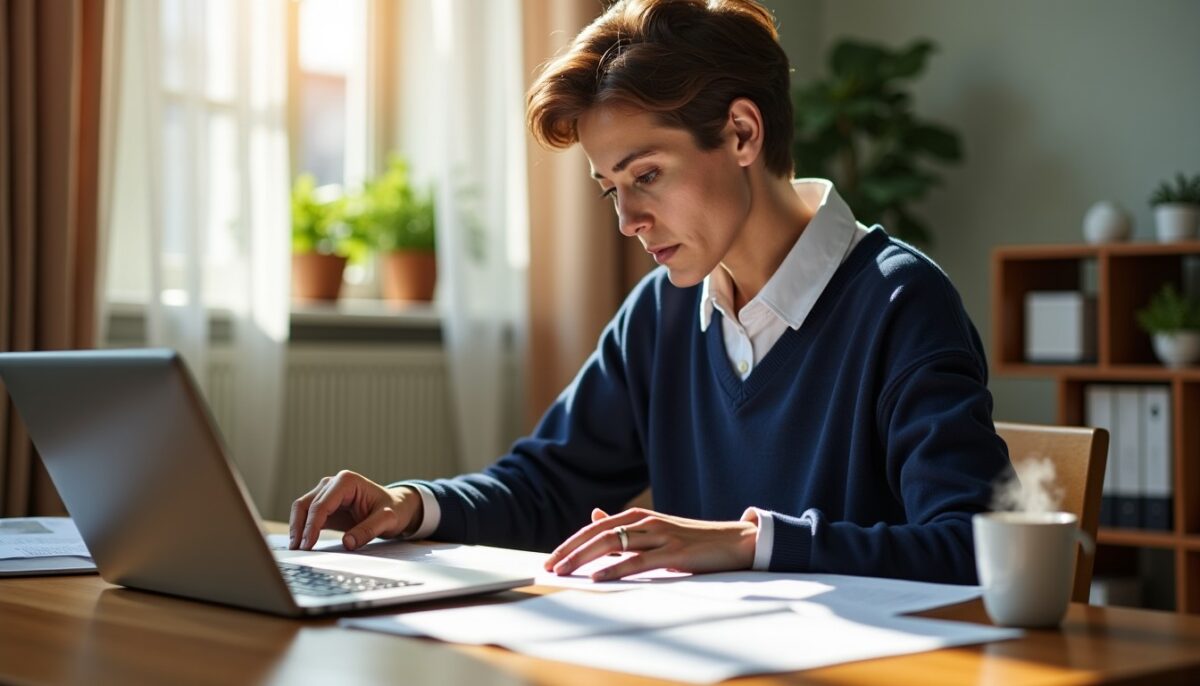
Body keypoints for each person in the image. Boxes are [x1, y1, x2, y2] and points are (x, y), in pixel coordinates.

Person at [289, 0, 1011, 585]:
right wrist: (410, 505)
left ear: (740, 133)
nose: (628, 220)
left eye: (648, 176)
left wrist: (747, 543)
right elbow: (545, 486)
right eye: (611, 188)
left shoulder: (902, 304)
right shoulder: (662, 312)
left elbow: (973, 546)